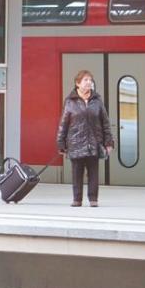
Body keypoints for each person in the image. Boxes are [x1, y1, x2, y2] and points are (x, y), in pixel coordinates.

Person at [56, 70, 114, 207]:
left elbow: (105, 123)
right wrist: (60, 143)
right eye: (86, 80)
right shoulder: (70, 101)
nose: (89, 82)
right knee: (77, 173)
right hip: (75, 143)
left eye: (90, 80)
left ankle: (93, 199)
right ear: (78, 83)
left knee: (93, 173)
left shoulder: (97, 101)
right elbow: (63, 124)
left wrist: (109, 142)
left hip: (94, 142)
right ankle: (77, 199)